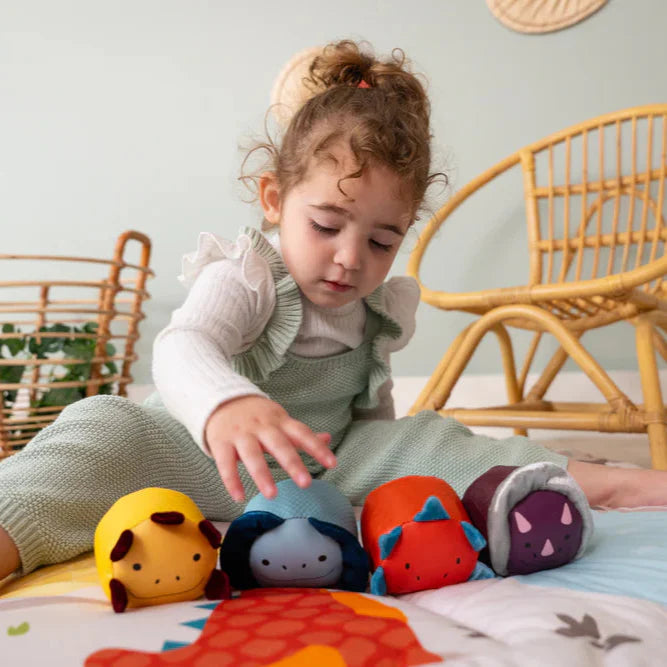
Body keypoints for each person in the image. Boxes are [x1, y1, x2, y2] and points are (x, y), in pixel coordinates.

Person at [1, 40, 666, 584]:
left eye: (382, 241)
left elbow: (371, 416)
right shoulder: (247, 274)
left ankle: (605, 484)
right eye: (325, 225)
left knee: (431, 437)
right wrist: (228, 404)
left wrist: (398, 468)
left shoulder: (375, 305)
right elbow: (182, 345)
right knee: (97, 433)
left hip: (321, 463)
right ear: (273, 199)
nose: (350, 259)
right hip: (188, 453)